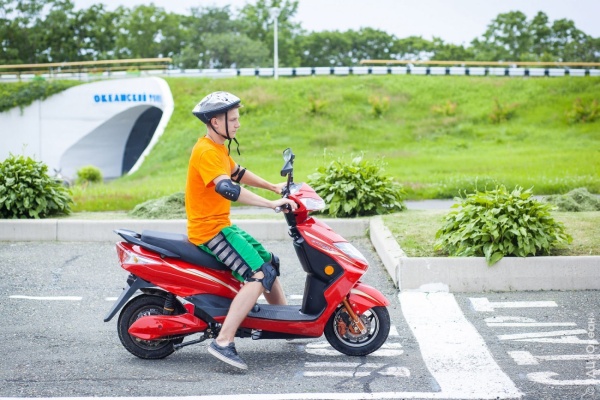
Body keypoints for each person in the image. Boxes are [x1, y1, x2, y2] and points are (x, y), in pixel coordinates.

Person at [186, 91, 297, 370]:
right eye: (233, 120)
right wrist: (270, 204)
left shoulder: (218, 147)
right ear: (215, 122)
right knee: (258, 274)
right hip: (210, 231)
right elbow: (227, 187)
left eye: (237, 119)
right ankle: (223, 341)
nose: (238, 124)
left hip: (221, 225)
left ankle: (286, 323)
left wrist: (273, 186)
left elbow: (237, 173)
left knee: (269, 262)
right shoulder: (206, 152)